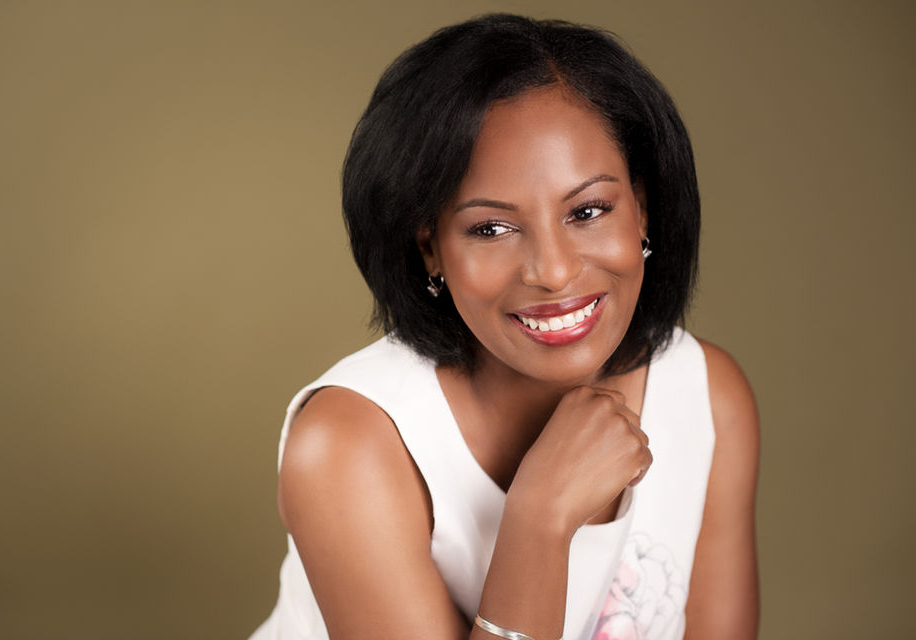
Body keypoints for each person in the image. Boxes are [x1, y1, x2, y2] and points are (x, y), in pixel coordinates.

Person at [251, 13, 759, 640]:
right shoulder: (348, 445)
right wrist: (539, 518)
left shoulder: (708, 397)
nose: (553, 270)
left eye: (589, 210)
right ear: (430, 248)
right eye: (491, 228)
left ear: (643, 211)